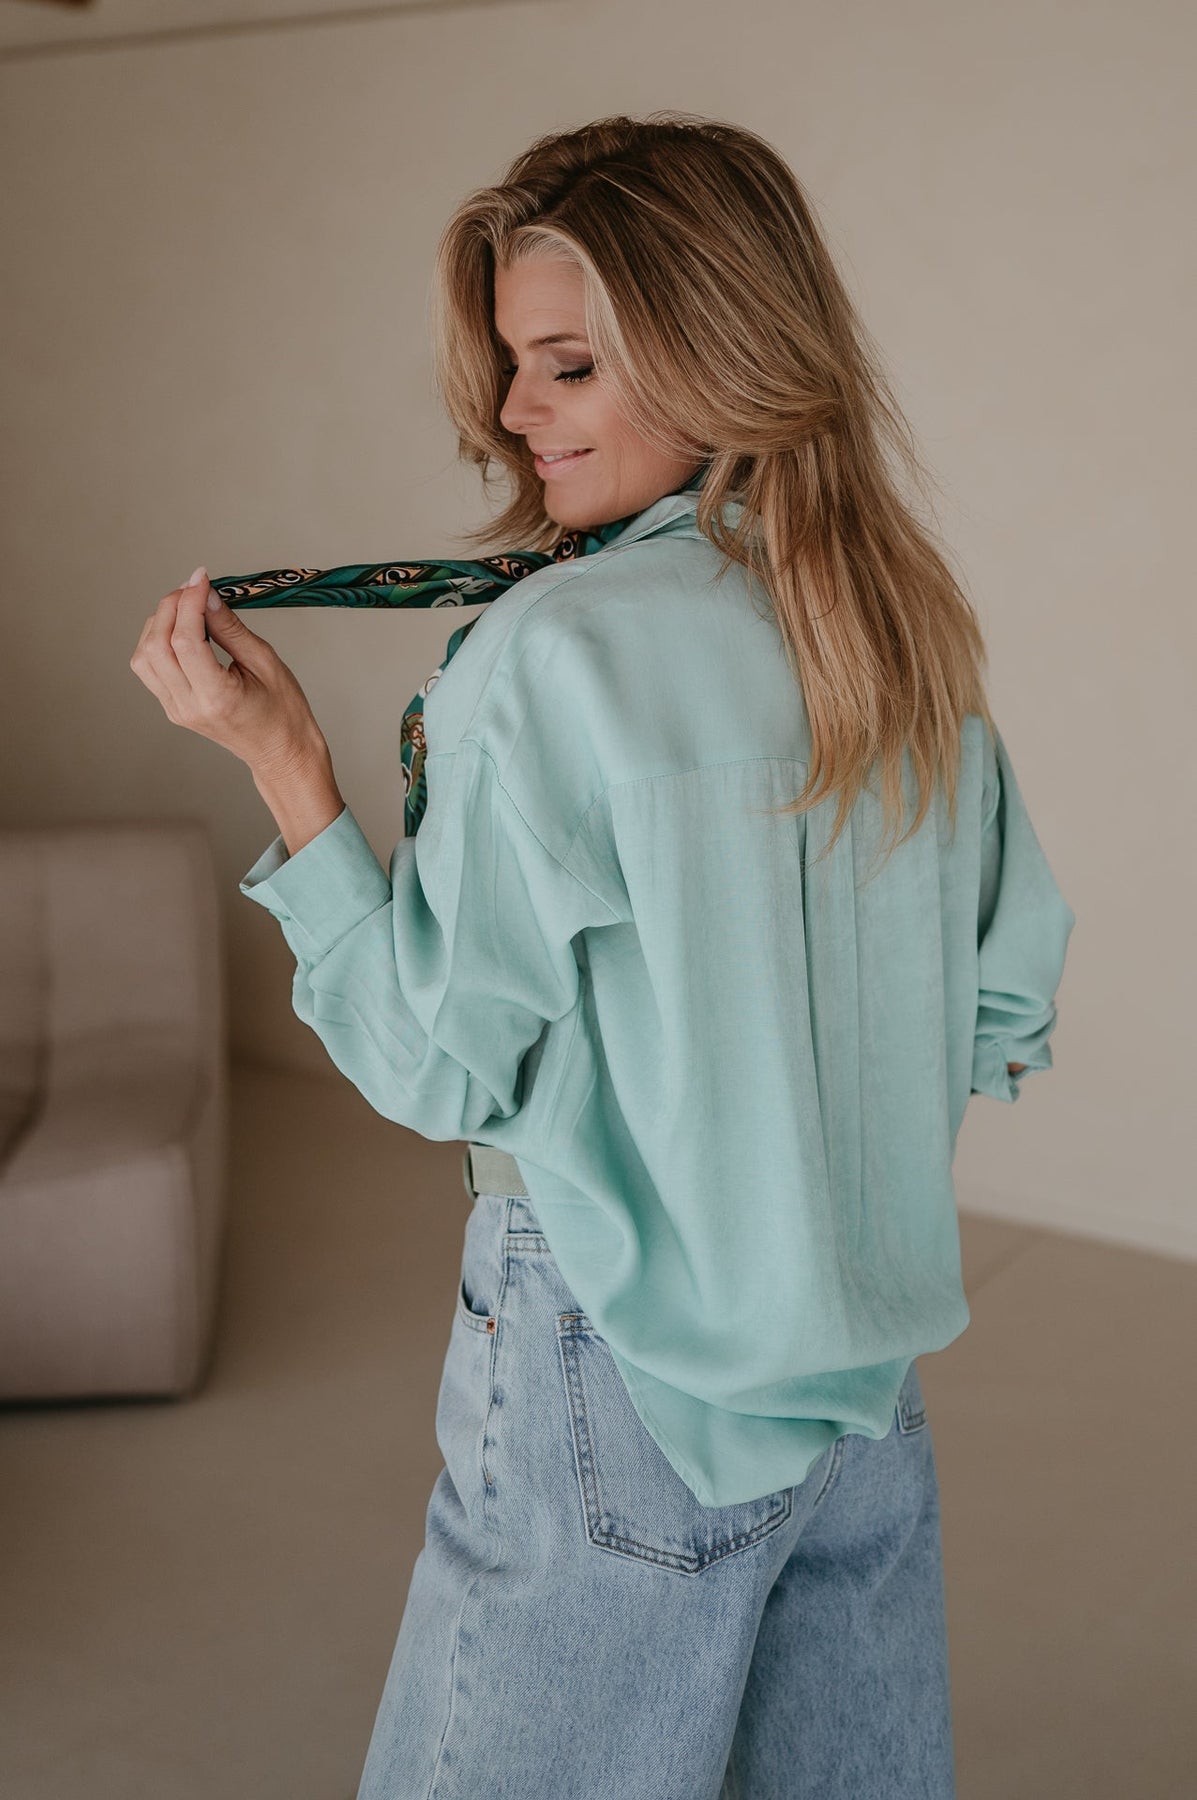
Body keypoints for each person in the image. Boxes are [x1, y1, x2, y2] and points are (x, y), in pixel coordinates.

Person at [130, 113, 1075, 1800]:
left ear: (722, 350)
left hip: (621, 1358)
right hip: (858, 1367)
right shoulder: (894, 626)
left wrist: (285, 768)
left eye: (566, 365)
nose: (513, 412)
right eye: (513, 365)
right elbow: (1000, 1000)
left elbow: (434, 1065)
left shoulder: (551, 652)